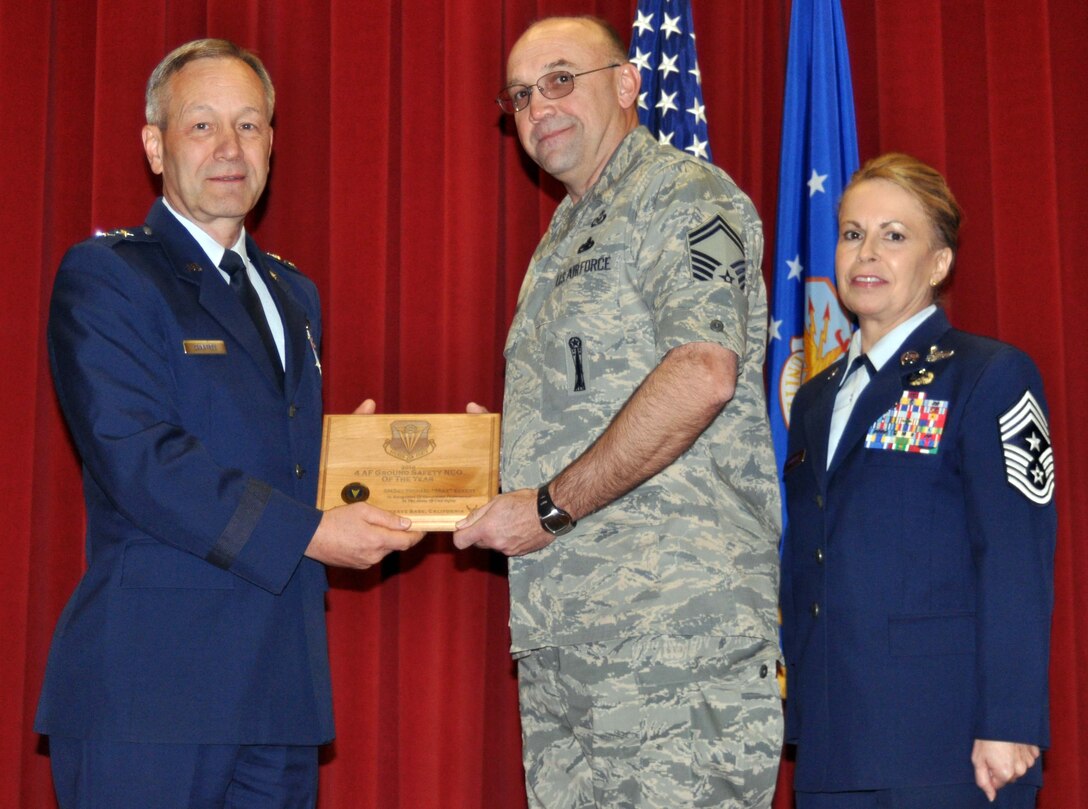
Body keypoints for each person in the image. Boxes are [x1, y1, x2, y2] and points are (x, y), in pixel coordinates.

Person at [34, 39, 423, 809]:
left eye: (249, 126)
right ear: (156, 145)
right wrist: (311, 532)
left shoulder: (293, 292)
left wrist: (381, 463)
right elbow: (142, 459)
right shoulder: (108, 275)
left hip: (280, 687)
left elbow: (277, 456)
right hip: (153, 690)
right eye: (202, 126)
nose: (229, 149)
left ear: (272, 144)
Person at [453, 16, 783, 809]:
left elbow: (702, 374)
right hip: (569, 635)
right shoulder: (567, 230)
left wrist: (547, 506)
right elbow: (587, 408)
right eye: (521, 95)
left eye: (562, 79)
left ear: (629, 83)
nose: (539, 108)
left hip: (672, 632)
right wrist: (477, 455)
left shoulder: (683, 196)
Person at [780, 153, 1056, 809]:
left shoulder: (988, 376)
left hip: (949, 746)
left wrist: (1010, 720)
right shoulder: (815, 399)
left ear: (939, 264)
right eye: (852, 232)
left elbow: (1017, 556)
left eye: (893, 235)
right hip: (831, 745)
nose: (866, 252)